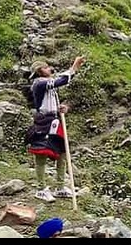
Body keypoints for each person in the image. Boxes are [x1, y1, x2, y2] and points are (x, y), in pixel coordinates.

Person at [26, 56, 85, 202]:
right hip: (44, 121)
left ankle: (60, 187)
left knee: (62, 153)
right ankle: (41, 189)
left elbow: (52, 101)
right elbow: (61, 81)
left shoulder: (48, 86)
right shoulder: (39, 83)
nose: (50, 69)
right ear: (40, 71)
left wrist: (62, 108)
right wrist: (74, 67)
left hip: (55, 120)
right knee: (41, 154)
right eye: (46, 67)